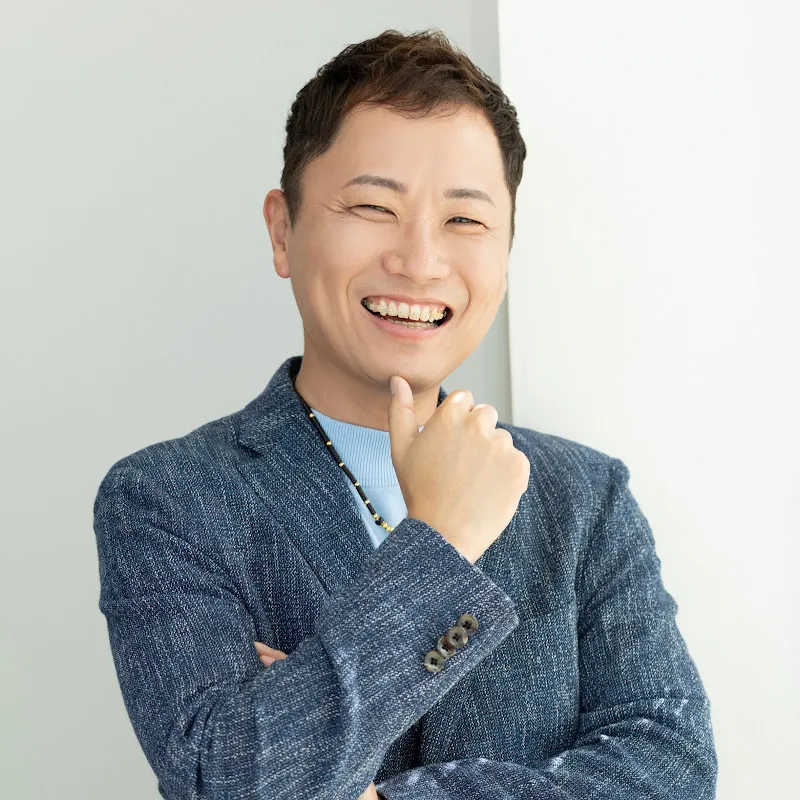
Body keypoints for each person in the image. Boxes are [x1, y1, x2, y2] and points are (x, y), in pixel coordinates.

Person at [93, 28, 718, 800]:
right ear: (283, 231)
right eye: (372, 206)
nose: (420, 261)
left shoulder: (585, 497)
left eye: (465, 221)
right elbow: (232, 781)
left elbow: (671, 768)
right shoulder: (170, 499)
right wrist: (441, 544)